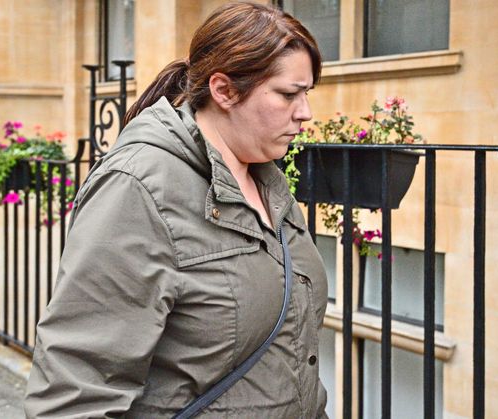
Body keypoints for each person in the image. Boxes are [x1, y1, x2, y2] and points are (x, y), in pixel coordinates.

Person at [24, 2, 329, 418]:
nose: (305, 113)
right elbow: (76, 391)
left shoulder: (267, 179)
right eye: (288, 94)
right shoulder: (138, 187)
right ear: (223, 90)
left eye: (306, 93)